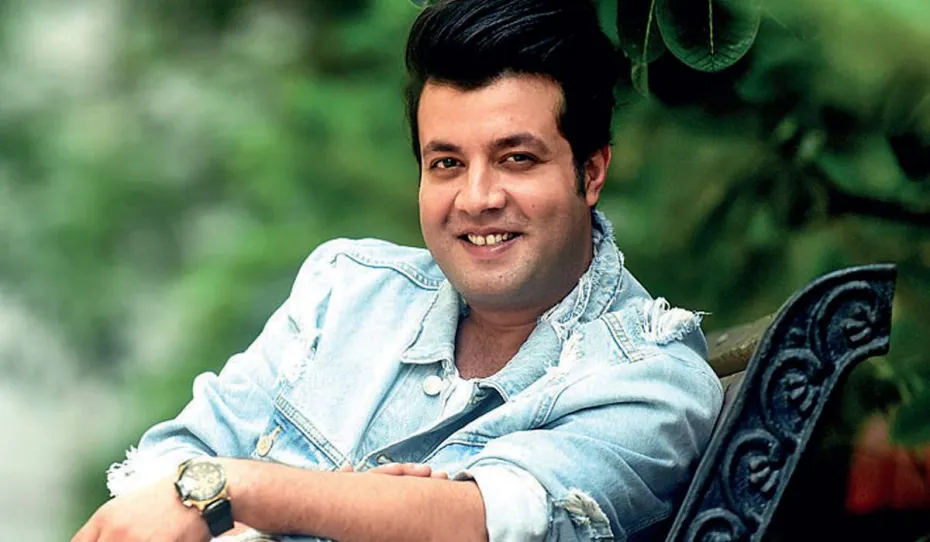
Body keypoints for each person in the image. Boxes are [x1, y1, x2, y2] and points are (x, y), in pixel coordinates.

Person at [73, 0, 723, 540]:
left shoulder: (650, 380)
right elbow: (159, 471)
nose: (476, 198)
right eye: (447, 164)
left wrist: (241, 490)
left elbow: (485, 523)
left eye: (516, 159)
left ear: (591, 171)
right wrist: (320, 508)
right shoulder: (343, 290)